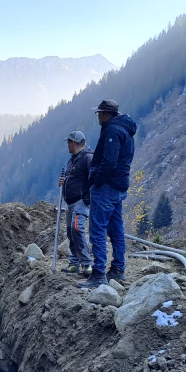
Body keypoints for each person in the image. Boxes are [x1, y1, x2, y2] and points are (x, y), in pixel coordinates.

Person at [78, 99, 137, 288]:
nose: (98, 117)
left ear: (104, 114)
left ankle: (98, 274)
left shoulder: (112, 131)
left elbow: (109, 162)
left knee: (97, 230)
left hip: (107, 187)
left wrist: (96, 180)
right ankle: (118, 269)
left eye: (99, 113)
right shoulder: (126, 130)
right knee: (116, 229)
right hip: (120, 186)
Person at [58, 131, 94, 277]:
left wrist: (87, 198)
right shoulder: (72, 160)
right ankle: (74, 263)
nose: (67, 145)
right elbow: (72, 177)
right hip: (70, 202)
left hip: (81, 201)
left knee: (77, 228)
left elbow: (94, 178)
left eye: (68, 142)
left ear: (73, 143)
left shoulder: (88, 158)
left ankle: (86, 264)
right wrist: (64, 181)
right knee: (70, 232)